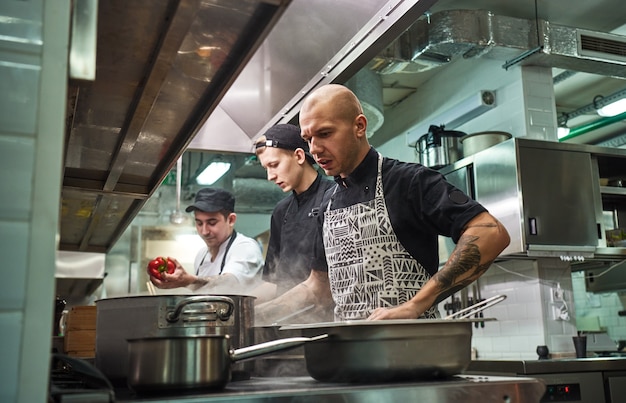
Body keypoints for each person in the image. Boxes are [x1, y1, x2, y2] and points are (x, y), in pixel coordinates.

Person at [255, 84, 510, 323]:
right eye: (308, 139)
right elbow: (318, 287)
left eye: (325, 133)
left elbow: (490, 233)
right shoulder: (327, 204)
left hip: (410, 350)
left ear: (359, 126)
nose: (316, 149)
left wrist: (417, 304)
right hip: (348, 354)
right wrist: (255, 315)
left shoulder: (409, 182)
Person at [254, 124, 335, 317]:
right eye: (266, 168)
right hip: (286, 321)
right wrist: (233, 305)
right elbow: (273, 283)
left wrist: (263, 313)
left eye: (274, 165)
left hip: (323, 321)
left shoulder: (334, 198)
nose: (270, 176)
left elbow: (325, 285)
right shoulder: (281, 211)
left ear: (299, 156)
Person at [149, 187, 264, 294]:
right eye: (199, 223)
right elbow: (205, 288)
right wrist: (178, 282)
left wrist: (190, 280)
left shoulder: (245, 247)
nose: (204, 231)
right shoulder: (202, 255)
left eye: (212, 223)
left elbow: (230, 282)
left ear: (231, 220)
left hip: (245, 315)